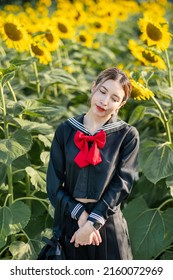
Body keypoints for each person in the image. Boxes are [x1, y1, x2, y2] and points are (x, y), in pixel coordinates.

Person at [46, 67, 139, 260]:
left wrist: (92, 223)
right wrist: (81, 217)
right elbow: (53, 184)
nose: (104, 102)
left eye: (114, 98)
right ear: (93, 87)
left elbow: (122, 185)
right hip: (72, 222)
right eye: (103, 92)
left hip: (108, 223)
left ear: (121, 104)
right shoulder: (65, 130)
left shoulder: (128, 136)